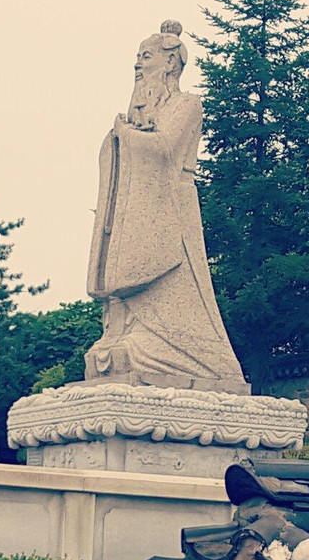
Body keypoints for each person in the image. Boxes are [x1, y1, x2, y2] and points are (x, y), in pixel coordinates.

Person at [84, 21, 244, 383]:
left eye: (146, 56)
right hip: (137, 208)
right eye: (137, 57)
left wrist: (128, 138)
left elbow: (168, 149)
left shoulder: (187, 105)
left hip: (172, 205)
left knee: (176, 279)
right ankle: (122, 331)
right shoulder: (139, 115)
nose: (137, 65)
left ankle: (173, 346)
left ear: (170, 64)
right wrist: (120, 139)